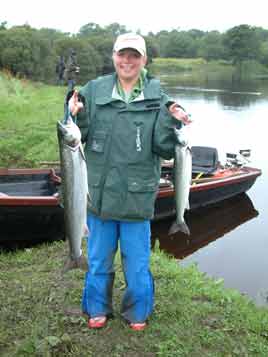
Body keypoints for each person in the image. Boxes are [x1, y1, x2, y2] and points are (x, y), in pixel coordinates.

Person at [68, 33, 191, 331]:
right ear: (113, 57)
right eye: (122, 54)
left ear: (144, 60)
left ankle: (137, 311)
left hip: (137, 197)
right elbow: (76, 133)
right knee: (97, 260)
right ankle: (97, 308)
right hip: (100, 196)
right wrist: (75, 113)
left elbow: (164, 147)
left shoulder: (158, 97)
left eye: (134, 55)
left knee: (137, 266)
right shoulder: (94, 90)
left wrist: (175, 121)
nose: (127, 61)